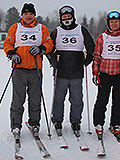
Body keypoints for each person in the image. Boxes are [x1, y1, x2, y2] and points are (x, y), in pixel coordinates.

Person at [3, 3, 53, 137]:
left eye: (31, 14)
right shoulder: (15, 27)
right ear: (22, 15)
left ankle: (35, 123)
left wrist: (41, 48)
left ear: (34, 15)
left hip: (35, 69)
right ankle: (15, 125)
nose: (28, 16)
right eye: (26, 14)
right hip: (19, 69)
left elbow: (49, 43)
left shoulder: (41, 28)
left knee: (35, 99)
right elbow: (7, 43)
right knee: (18, 100)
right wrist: (12, 54)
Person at [48, 5, 95, 137]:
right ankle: (57, 121)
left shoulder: (81, 30)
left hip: (76, 72)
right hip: (60, 72)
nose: (66, 19)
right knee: (58, 99)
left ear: (73, 16)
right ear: (60, 18)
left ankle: (76, 121)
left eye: (68, 17)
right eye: (64, 17)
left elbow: (91, 46)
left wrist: (88, 59)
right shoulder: (56, 31)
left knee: (77, 99)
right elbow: (49, 48)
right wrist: (53, 61)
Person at [92, 11, 120, 140]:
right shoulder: (102, 37)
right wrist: (95, 71)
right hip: (105, 73)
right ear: (109, 23)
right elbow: (96, 55)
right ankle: (98, 123)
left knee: (118, 100)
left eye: (116, 22)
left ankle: (116, 124)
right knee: (102, 100)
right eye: (112, 22)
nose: (114, 24)